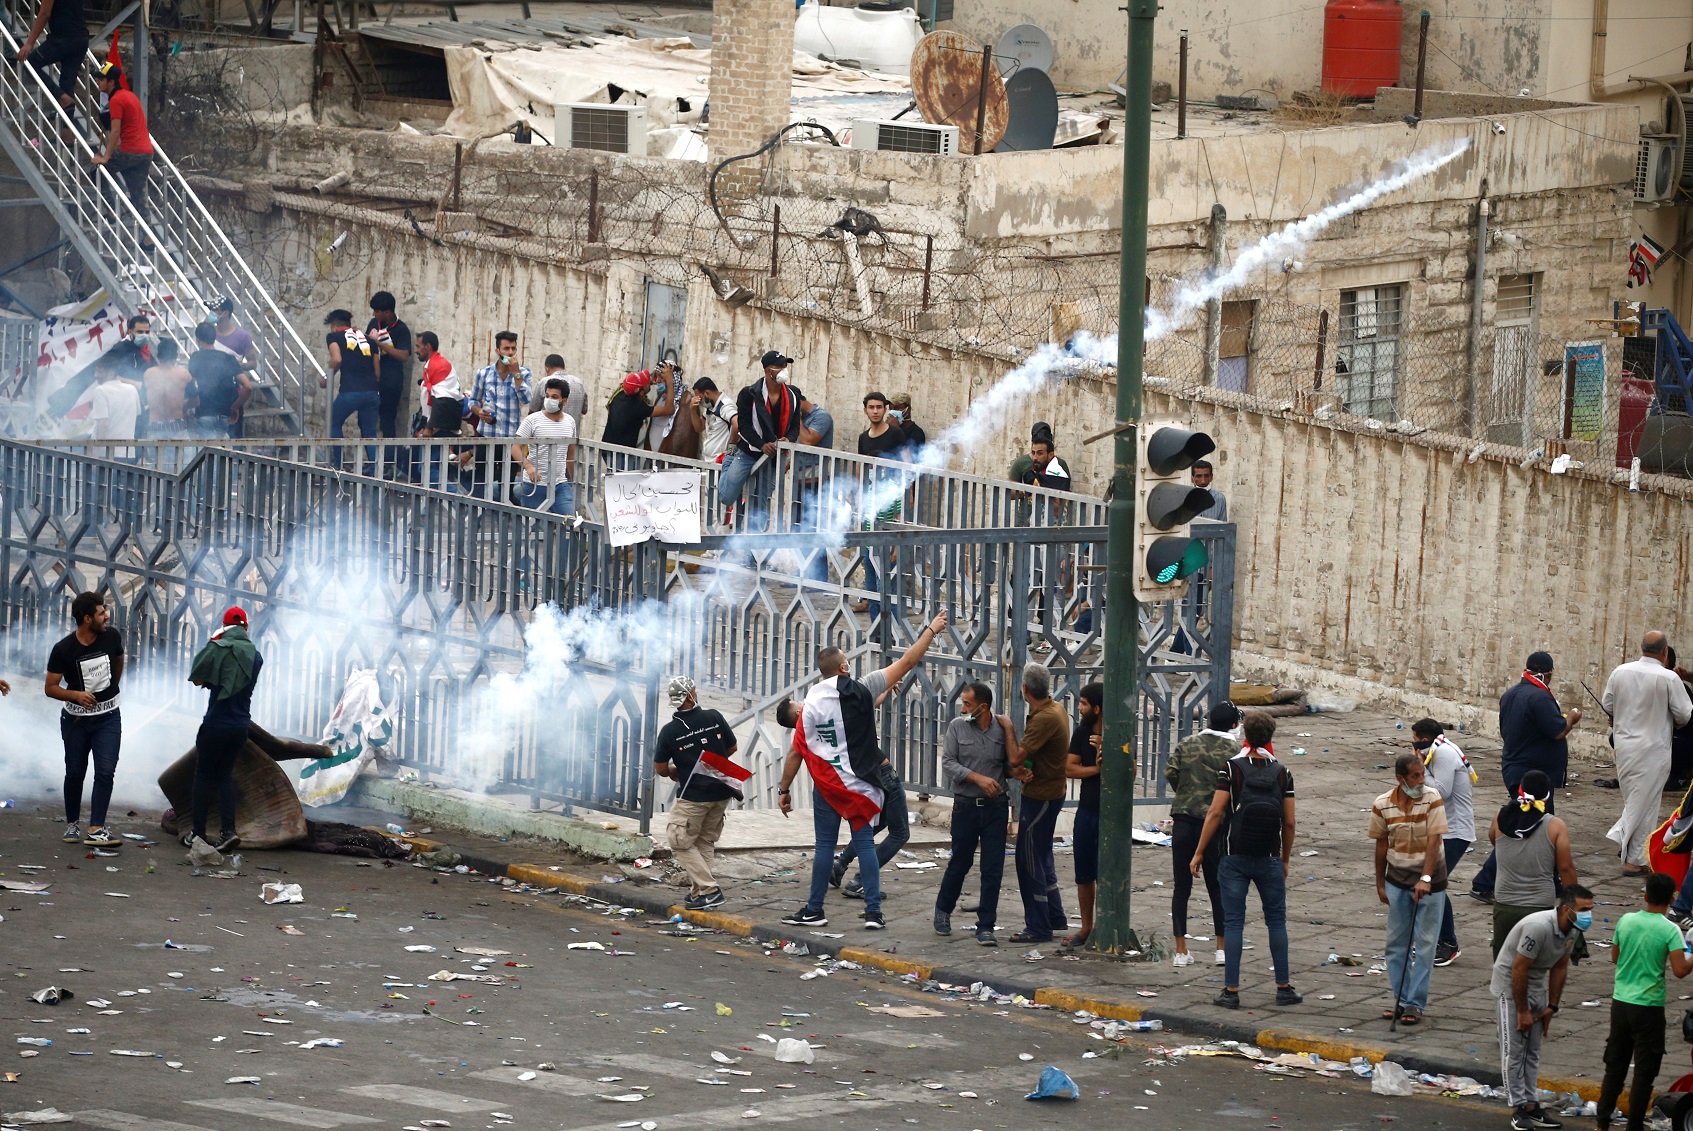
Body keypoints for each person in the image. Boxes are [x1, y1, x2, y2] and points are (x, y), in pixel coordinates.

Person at [774, 609, 949, 930]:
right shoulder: (861, 688)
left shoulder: (811, 703)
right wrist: (931, 630)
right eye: (847, 663)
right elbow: (908, 662)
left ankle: (815, 909)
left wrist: (784, 791)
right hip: (861, 781)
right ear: (843, 667)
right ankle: (873, 913)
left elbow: (795, 753)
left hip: (827, 784)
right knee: (866, 841)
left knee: (825, 846)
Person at [1191, 709, 1302, 1009]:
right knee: (1276, 921)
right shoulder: (1282, 772)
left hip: (1233, 854)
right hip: (1268, 855)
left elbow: (1215, 813)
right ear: (1271, 736)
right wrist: (1285, 858)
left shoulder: (1232, 769)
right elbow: (1289, 823)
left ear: (1246, 734)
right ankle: (1283, 987)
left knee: (1234, 922)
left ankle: (1231, 991)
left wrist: (1200, 851)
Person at [1472, 651, 1581, 903]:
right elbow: (1557, 731)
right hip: (1532, 777)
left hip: (1516, 768)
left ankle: (1552, 882)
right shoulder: (1539, 697)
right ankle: (1484, 882)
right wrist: (1572, 718)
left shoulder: (1512, 694)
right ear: (1548, 673)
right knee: (1526, 827)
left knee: (1534, 825)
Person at [1491, 886, 1595, 1131]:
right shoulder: (1538, 927)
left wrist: (1552, 1006)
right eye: (1584, 910)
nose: (1588, 915)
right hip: (1511, 987)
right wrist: (1523, 1010)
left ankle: (1531, 1104)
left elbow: (1560, 967)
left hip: (1537, 987)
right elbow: (1518, 969)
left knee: (1533, 1051)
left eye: (1590, 909)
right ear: (1567, 909)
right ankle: (1518, 1108)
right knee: (1514, 1050)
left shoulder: (1573, 930)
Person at [1598, 871, 1693, 1131]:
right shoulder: (1670, 930)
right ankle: (1635, 1125)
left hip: (1620, 1004)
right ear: (1672, 898)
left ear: (1645, 896)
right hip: (1648, 1007)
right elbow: (1680, 970)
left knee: (1615, 1066)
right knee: (1644, 1072)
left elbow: (1615, 957)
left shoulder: (1626, 920)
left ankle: (1602, 1122)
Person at [934, 681, 1026, 946]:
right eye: (963, 703)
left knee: (993, 868)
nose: (963, 708)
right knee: (960, 862)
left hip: (995, 808)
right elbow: (949, 762)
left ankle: (986, 924)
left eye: (967, 704)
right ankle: (943, 910)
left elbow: (1010, 762)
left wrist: (1016, 770)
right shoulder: (957, 727)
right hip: (966, 806)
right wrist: (977, 779)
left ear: (983, 707)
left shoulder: (1001, 730)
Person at [1370, 752, 1450, 1026]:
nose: (1420, 780)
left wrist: (1425, 879)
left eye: (1422, 775)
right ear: (1400, 778)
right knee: (1396, 945)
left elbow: (1434, 839)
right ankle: (1401, 1000)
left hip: (1431, 883)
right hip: (1398, 881)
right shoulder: (1382, 805)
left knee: (1426, 945)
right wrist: (1380, 882)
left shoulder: (1431, 799)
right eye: (1415, 776)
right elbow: (1381, 845)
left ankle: (1415, 1004)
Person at [1604, 632, 1693, 875]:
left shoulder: (1620, 672)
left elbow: (1608, 704)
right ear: (1665, 653)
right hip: (1654, 748)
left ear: (1641, 648)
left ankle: (1628, 846)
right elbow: (1685, 714)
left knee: (1636, 798)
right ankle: (1632, 859)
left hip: (1624, 746)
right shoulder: (1668, 678)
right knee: (1646, 801)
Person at [653, 676, 741, 912]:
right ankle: (700, 893)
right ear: (692, 694)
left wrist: (675, 770)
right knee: (703, 842)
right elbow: (731, 748)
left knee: (678, 840)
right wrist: (712, 764)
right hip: (722, 790)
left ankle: (710, 889)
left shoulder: (669, 731)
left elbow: (661, 768)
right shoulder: (714, 716)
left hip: (694, 796)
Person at [44, 591, 124, 849]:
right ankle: (72, 823)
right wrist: (75, 695)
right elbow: (50, 687)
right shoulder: (64, 649)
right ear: (87, 619)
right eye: (102, 612)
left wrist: (111, 689)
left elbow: (119, 661)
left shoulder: (111, 637)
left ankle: (96, 828)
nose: (107, 616)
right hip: (76, 722)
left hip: (109, 718)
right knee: (75, 772)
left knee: (105, 772)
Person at [1165, 701, 1239, 967]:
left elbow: (1171, 772)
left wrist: (1185, 793)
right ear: (1234, 724)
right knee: (1217, 887)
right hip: (1216, 825)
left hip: (1185, 819)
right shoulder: (1235, 750)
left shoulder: (1187, 744)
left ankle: (1180, 950)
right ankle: (1221, 948)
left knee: (1181, 887)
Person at [186, 606, 262, 854]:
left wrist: (214, 643)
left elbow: (198, 678)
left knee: (204, 775)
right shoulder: (256, 657)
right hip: (240, 726)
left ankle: (197, 833)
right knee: (225, 776)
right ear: (246, 627)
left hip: (216, 724)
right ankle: (228, 832)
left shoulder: (218, 649)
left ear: (225, 626)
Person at [1009, 662, 1070, 943]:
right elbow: (1036, 754)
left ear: (1024, 689)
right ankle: (1054, 915)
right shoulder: (1054, 709)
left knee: (1029, 860)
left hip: (1041, 796)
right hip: (1049, 790)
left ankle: (1038, 925)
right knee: (1042, 856)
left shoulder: (1046, 717)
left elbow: (1016, 757)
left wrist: (1008, 728)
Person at [1489, 770, 1578, 956]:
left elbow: (1494, 842)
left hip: (1505, 904)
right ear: (1547, 797)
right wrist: (1573, 905)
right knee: (1534, 967)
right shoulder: (1555, 826)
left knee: (1504, 965)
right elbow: (1565, 868)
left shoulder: (1500, 818)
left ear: (1520, 790)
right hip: (1540, 908)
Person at [1413, 718, 1476, 966]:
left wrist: (1420, 770)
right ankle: (1438, 939)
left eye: (1417, 741)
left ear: (1426, 739)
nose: (1415, 746)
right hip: (1444, 829)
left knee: (1434, 884)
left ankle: (1448, 943)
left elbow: (1441, 790)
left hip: (1456, 831)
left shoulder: (1443, 754)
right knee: (1431, 884)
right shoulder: (1437, 751)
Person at [721, 351, 803, 530]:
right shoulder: (749, 394)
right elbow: (744, 425)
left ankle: (752, 546)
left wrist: (788, 439)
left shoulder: (793, 395)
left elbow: (796, 426)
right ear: (768, 370)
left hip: (773, 458)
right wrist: (761, 444)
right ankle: (728, 459)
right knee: (727, 496)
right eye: (779, 367)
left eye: (785, 366)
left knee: (761, 502)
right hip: (749, 451)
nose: (783, 370)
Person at [90, 63, 154, 245]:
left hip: (130, 150)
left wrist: (105, 157)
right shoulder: (129, 95)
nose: (98, 82)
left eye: (101, 79)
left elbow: (116, 131)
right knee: (138, 194)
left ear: (111, 82)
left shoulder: (116, 99)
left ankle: (110, 211)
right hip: (146, 152)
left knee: (98, 172)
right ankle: (148, 237)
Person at [1063, 681, 1104, 948]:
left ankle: (1107, 925)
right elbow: (1069, 768)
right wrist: (1096, 770)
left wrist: (1107, 748)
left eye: (1084, 704)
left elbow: (1131, 770)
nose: (1079, 708)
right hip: (1087, 811)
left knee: (1108, 873)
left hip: (1110, 816)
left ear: (1097, 709)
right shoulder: (1081, 732)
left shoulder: (1118, 732)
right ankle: (1086, 926)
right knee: (1084, 873)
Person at [468, 331, 533, 492]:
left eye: (513, 349)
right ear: (498, 351)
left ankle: (503, 516)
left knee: (506, 487)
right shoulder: (484, 374)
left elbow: (526, 400)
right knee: (480, 484)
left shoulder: (523, 373)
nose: (510, 353)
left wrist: (516, 373)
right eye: (506, 348)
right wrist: (479, 412)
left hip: (510, 441)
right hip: (487, 437)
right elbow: (473, 401)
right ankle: (476, 515)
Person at [15, 0, 89, 130]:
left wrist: (29, 43)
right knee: (67, 84)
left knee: (30, 63)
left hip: (62, 38)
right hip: (80, 37)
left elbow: (44, 14)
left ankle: (60, 96)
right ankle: (67, 134)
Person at [322, 309, 379, 475]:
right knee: (369, 432)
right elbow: (377, 372)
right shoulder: (369, 340)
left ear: (333, 326)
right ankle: (376, 471)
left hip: (350, 392)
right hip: (371, 393)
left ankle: (338, 466)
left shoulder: (333, 337)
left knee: (333, 422)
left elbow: (337, 359)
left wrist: (326, 378)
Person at [511, 376, 577, 516]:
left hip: (560, 484)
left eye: (554, 397)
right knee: (535, 529)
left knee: (569, 522)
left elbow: (570, 454)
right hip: (534, 484)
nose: (549, 400)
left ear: (564, 401)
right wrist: (528, 467)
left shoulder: (570, 422)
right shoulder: (532, 420)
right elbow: (515, 448)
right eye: (547, 396)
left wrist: (575, 480)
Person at [367, 291, 413, 479]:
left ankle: (388, 463)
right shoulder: (373, 324)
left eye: (378, 312)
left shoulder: (401, 329)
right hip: (372, 380)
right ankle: (372, 461)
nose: (375, 315)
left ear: (387, 312)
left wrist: (381, 344)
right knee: (368, 421)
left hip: (392, 382)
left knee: (387, 422)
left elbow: (404, 355)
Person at [186, 322, 252, 439]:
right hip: (224, 415)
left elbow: (189, 383)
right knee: (221, 453)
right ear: (214, 337)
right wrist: (235, 406)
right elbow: (247, 386)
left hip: (204, 413)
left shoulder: (195, 357)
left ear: (198, 339)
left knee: (205, 454)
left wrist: (186, 406)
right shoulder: (228, 358)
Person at [602, 364, 677, 449]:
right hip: (621, 453)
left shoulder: (621, 393)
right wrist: (669, 381)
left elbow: (640, 387)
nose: (651, 381)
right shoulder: (637, 408)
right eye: (647, 383)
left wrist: (651, 381)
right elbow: (669, 409)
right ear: (641, 393)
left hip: (607, 447)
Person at [85, 352, 141, 458]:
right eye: (96, 371)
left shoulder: (101, 390)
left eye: (99, 372)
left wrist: (95, 454)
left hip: (107, 454)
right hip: (128, 454)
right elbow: (136, 415)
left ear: (111, 373)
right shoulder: (132, 389)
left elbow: (103, 423)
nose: (95, 375)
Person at [143, 340, 193, 439]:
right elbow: (196, 400)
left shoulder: (148, 374)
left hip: (155, 425)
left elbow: (143, 398)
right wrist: (184, 407)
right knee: (180, 455)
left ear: (158, 356)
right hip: (177, 424)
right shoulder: (184, 374)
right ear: (176, 355)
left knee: (156, 455)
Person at [528, 354, 586, 435]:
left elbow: (533, 410)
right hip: (571, 438)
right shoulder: (579, 383)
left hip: (545, 438)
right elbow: (584, 410)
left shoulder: (544, 382)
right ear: (564, 367)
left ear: (546, 368)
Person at [693, 377, 736, 464]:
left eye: (700, 398)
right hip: (709, 460)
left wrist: (731, 449)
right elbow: (699, 427)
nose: (700, 402)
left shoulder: (725, 406)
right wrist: (692, 410)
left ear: (707, 393)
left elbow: (737, 424)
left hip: (720, 461)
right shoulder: (711, 407)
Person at [210, 298, 259, 370]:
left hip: (231, 380)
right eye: (211, 310)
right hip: (208, 379)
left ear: (225, 313)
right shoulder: (209, 332)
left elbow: (253, 363)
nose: (211, 313)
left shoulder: (242, 336)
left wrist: (238, 365)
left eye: (215, 310)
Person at [887, 391, 926, 458]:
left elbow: (909, 457)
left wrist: (897, 430)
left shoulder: (917, 433)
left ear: (908, 409)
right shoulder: (888, 428)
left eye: (897, 408)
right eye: (890, 409)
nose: (892, 412)